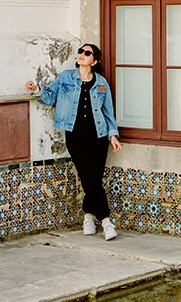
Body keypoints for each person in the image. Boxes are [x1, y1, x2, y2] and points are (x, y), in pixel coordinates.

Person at [27, 43, 122, 240]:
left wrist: (113, 135)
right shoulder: (65, 78)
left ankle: (88, 218)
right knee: (89, 177)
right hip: (75, 136)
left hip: (99, 136)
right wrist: (36, 89)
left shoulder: (102, 83)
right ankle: (106, 221)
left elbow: (108, 112)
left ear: (94, 61)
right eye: (81, 51)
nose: (82, 55)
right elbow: (49, 97)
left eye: (87, 53)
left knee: (93, 179)